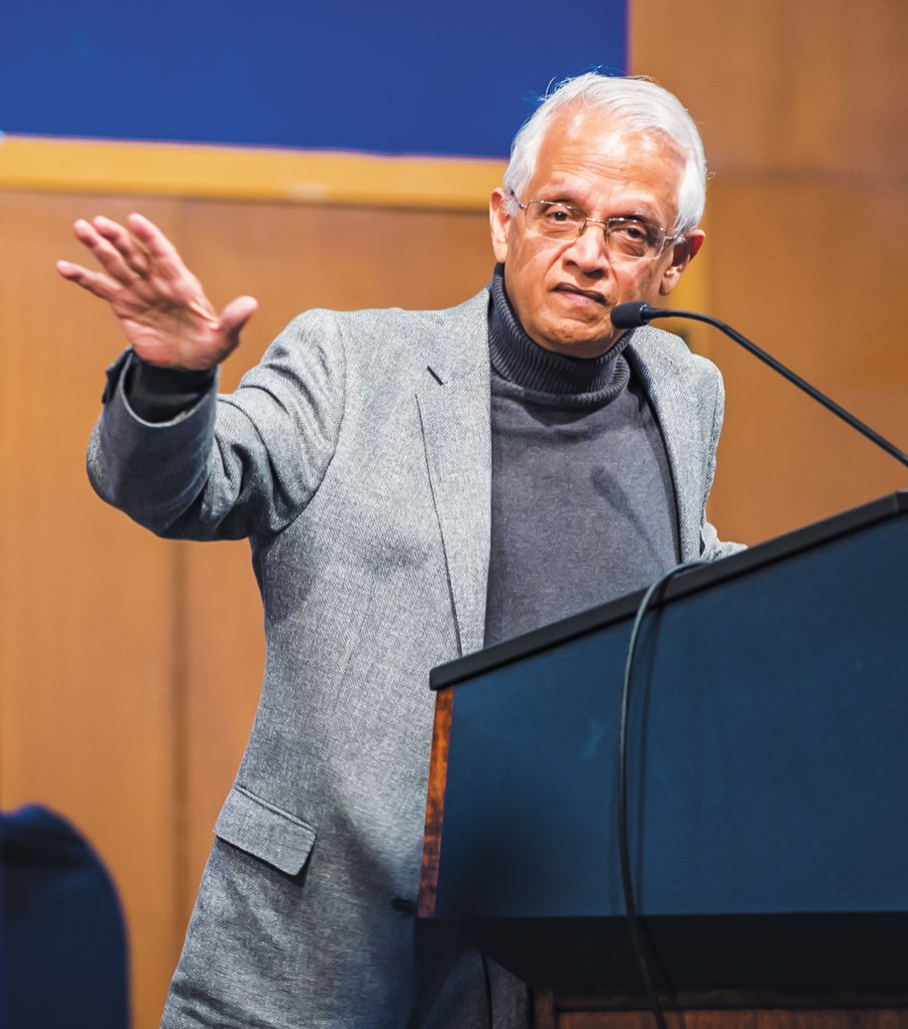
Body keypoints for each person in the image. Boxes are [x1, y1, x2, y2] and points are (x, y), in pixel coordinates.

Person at [60, 73, 738, 1029]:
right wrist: (172, 384)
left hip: (564, 957)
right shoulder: (351, 367)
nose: (589, 254)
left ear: (676, 262)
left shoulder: (684, 392)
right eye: (560, 213)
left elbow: (678, 572)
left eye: (630, 232)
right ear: (504, 221)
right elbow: (186, 486)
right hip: (323, 948)